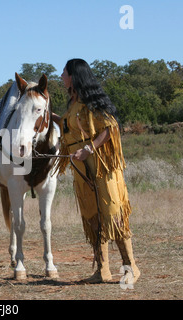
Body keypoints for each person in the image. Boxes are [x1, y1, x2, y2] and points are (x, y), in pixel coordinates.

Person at [51, 59, 140, 284]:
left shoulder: (91, 102)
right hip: (80, 168)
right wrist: (46, 114)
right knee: (93, 216)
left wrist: (88, 149)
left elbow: (110, 128)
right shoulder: (73, 103)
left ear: (74, 75)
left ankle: (131, 268)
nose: (61, 76)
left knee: (113, 214)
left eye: (64, 72)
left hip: (101, 166)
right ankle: (103, 270)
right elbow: (67, 125)